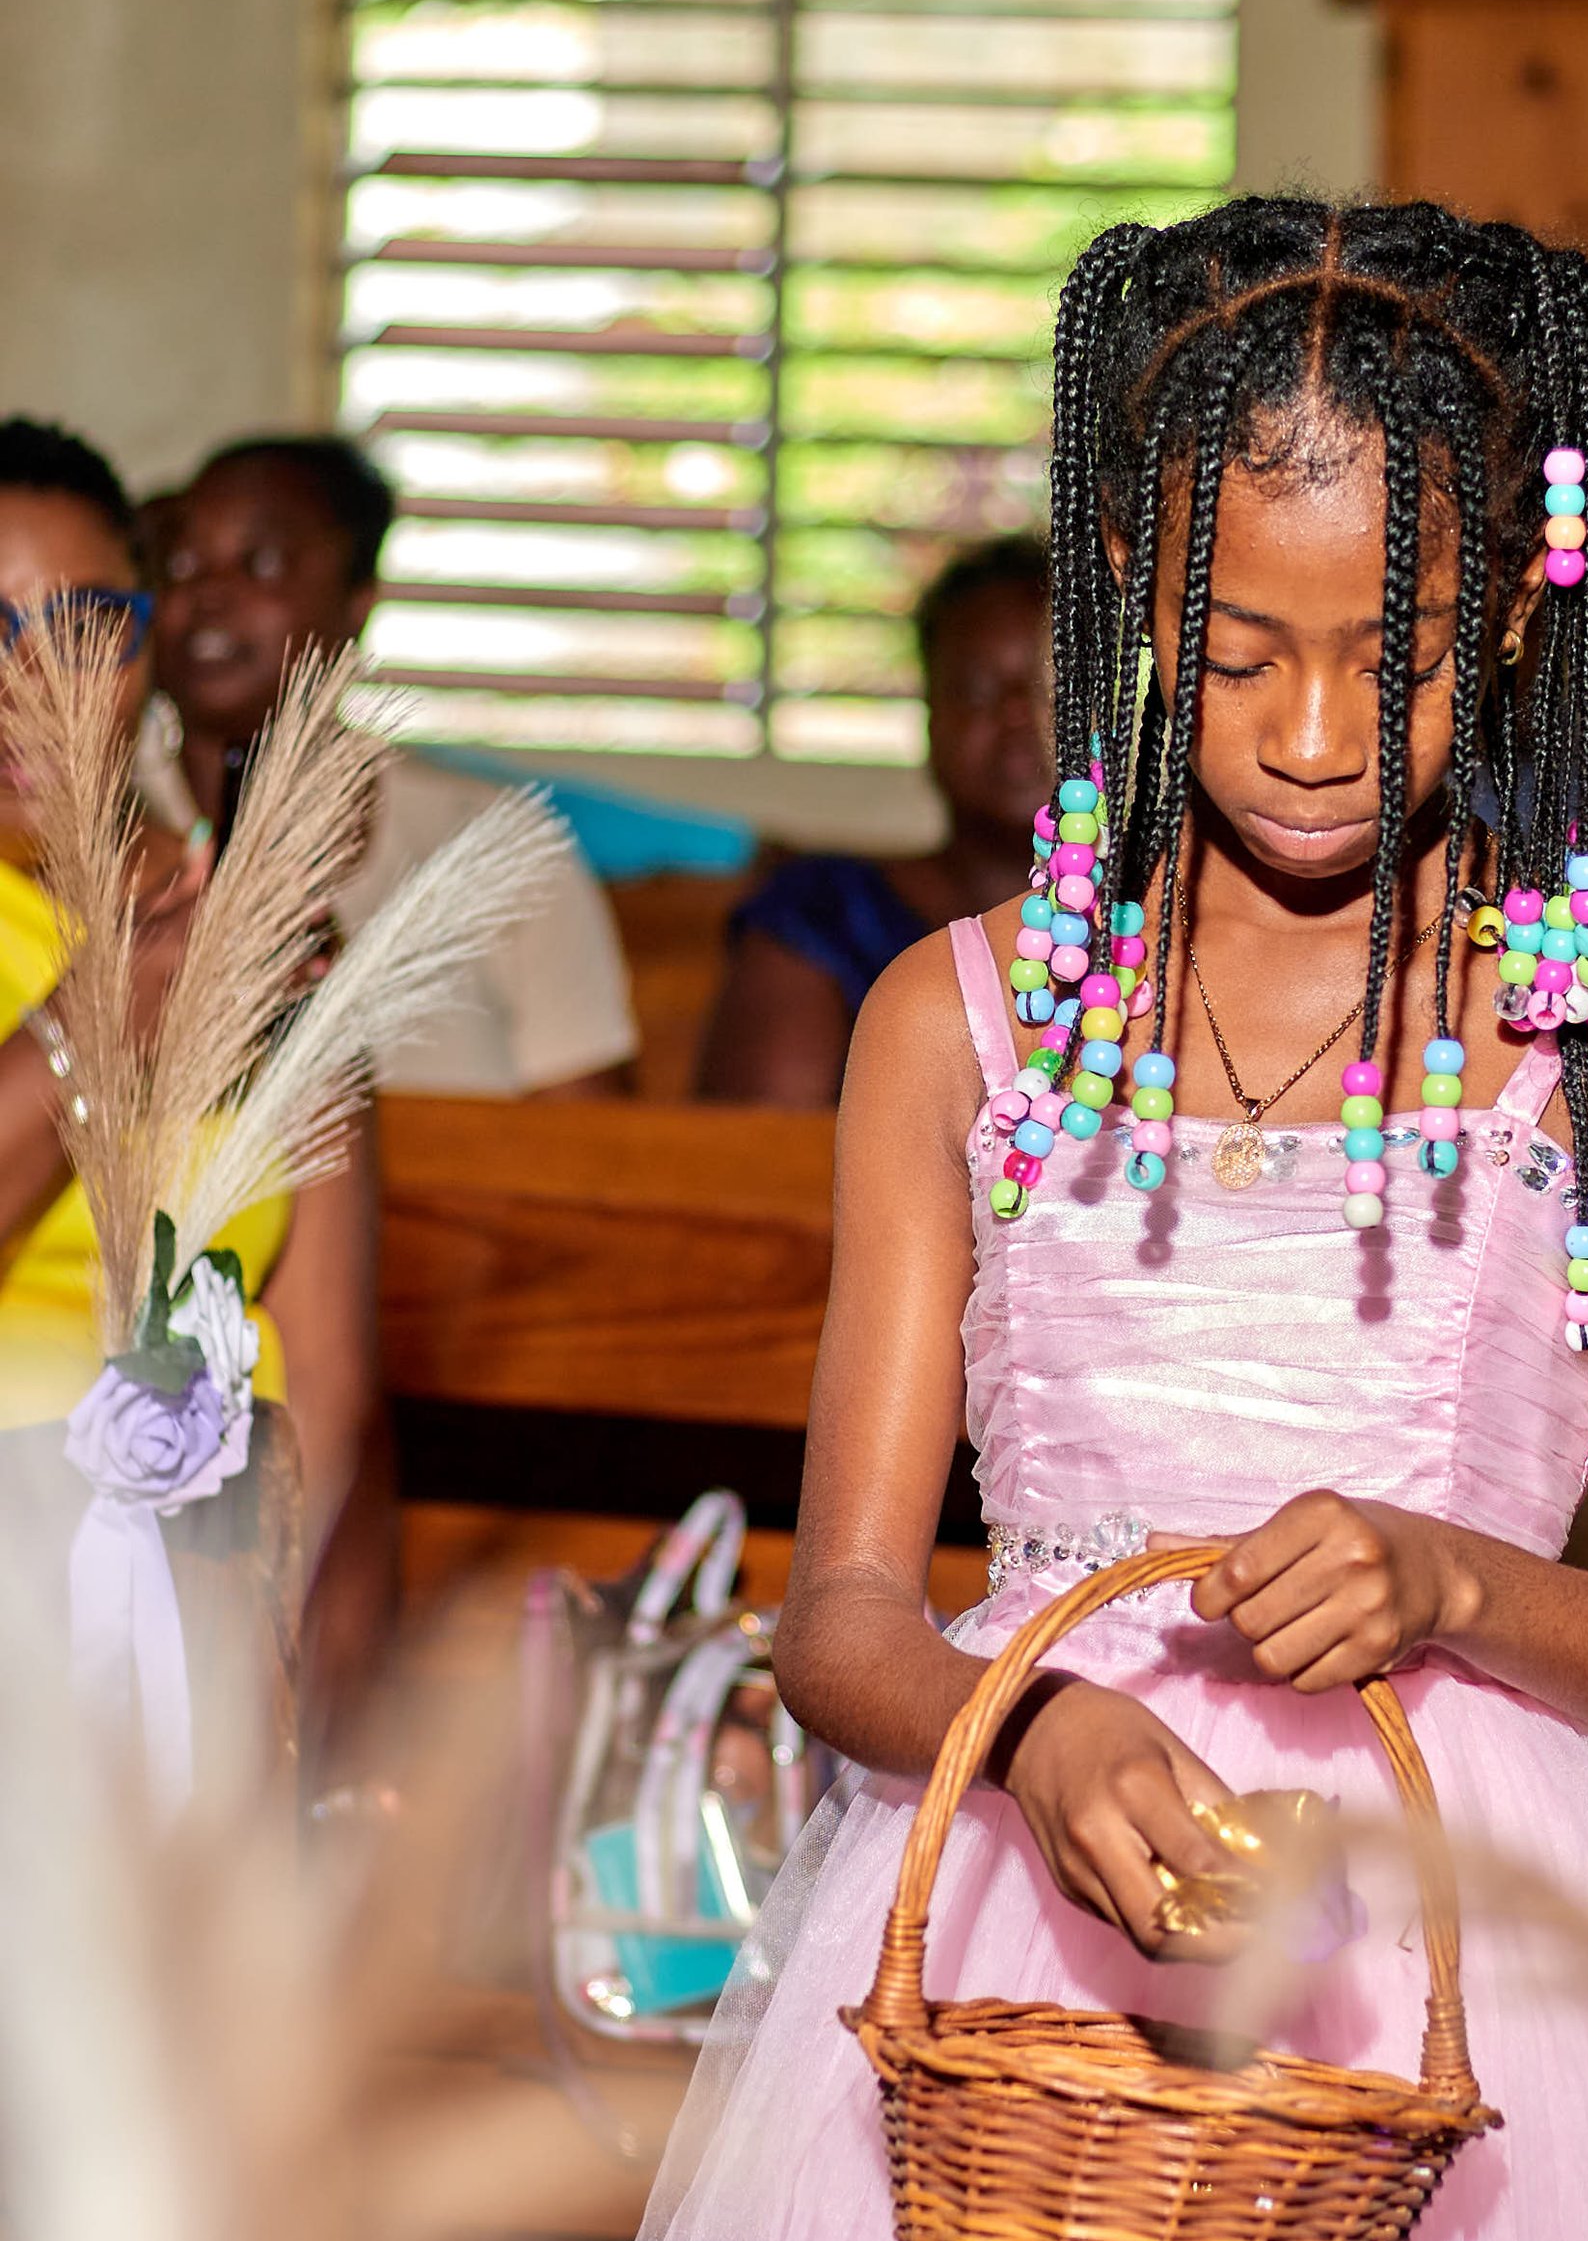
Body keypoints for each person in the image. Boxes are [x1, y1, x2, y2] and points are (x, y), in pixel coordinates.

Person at [509, 201, 1588, 2241]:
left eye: (1401, 654)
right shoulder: (961, 1025)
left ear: (1522, 625)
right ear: (1122, 610)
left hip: (1464, 1993)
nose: (1319, 732)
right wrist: (1032, 1720)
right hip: (1004, 1973)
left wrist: (1459, 1580)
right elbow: (839, 1605)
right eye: (1235, 653)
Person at [0, 416, 376, 1567]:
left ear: (149, 642)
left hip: (204, 1605)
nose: (36, 683)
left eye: (88, 626)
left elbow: (329, 1387)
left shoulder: (240, 916)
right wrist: (101, 1017)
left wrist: (281, 1715)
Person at [154, 435, 638, 1097]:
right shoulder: (94, 838)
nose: (207, 592)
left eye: (260, 562)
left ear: (359, 601)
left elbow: (595, 1161)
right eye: (180, 563)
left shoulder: (498, 847)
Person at [695, 531, 1051, 1103]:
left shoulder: (1166, 922)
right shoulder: (821, 914)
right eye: (977, 690)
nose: (1015, 714)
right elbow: (754, 1166)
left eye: (1047, 687)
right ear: (929, 716)